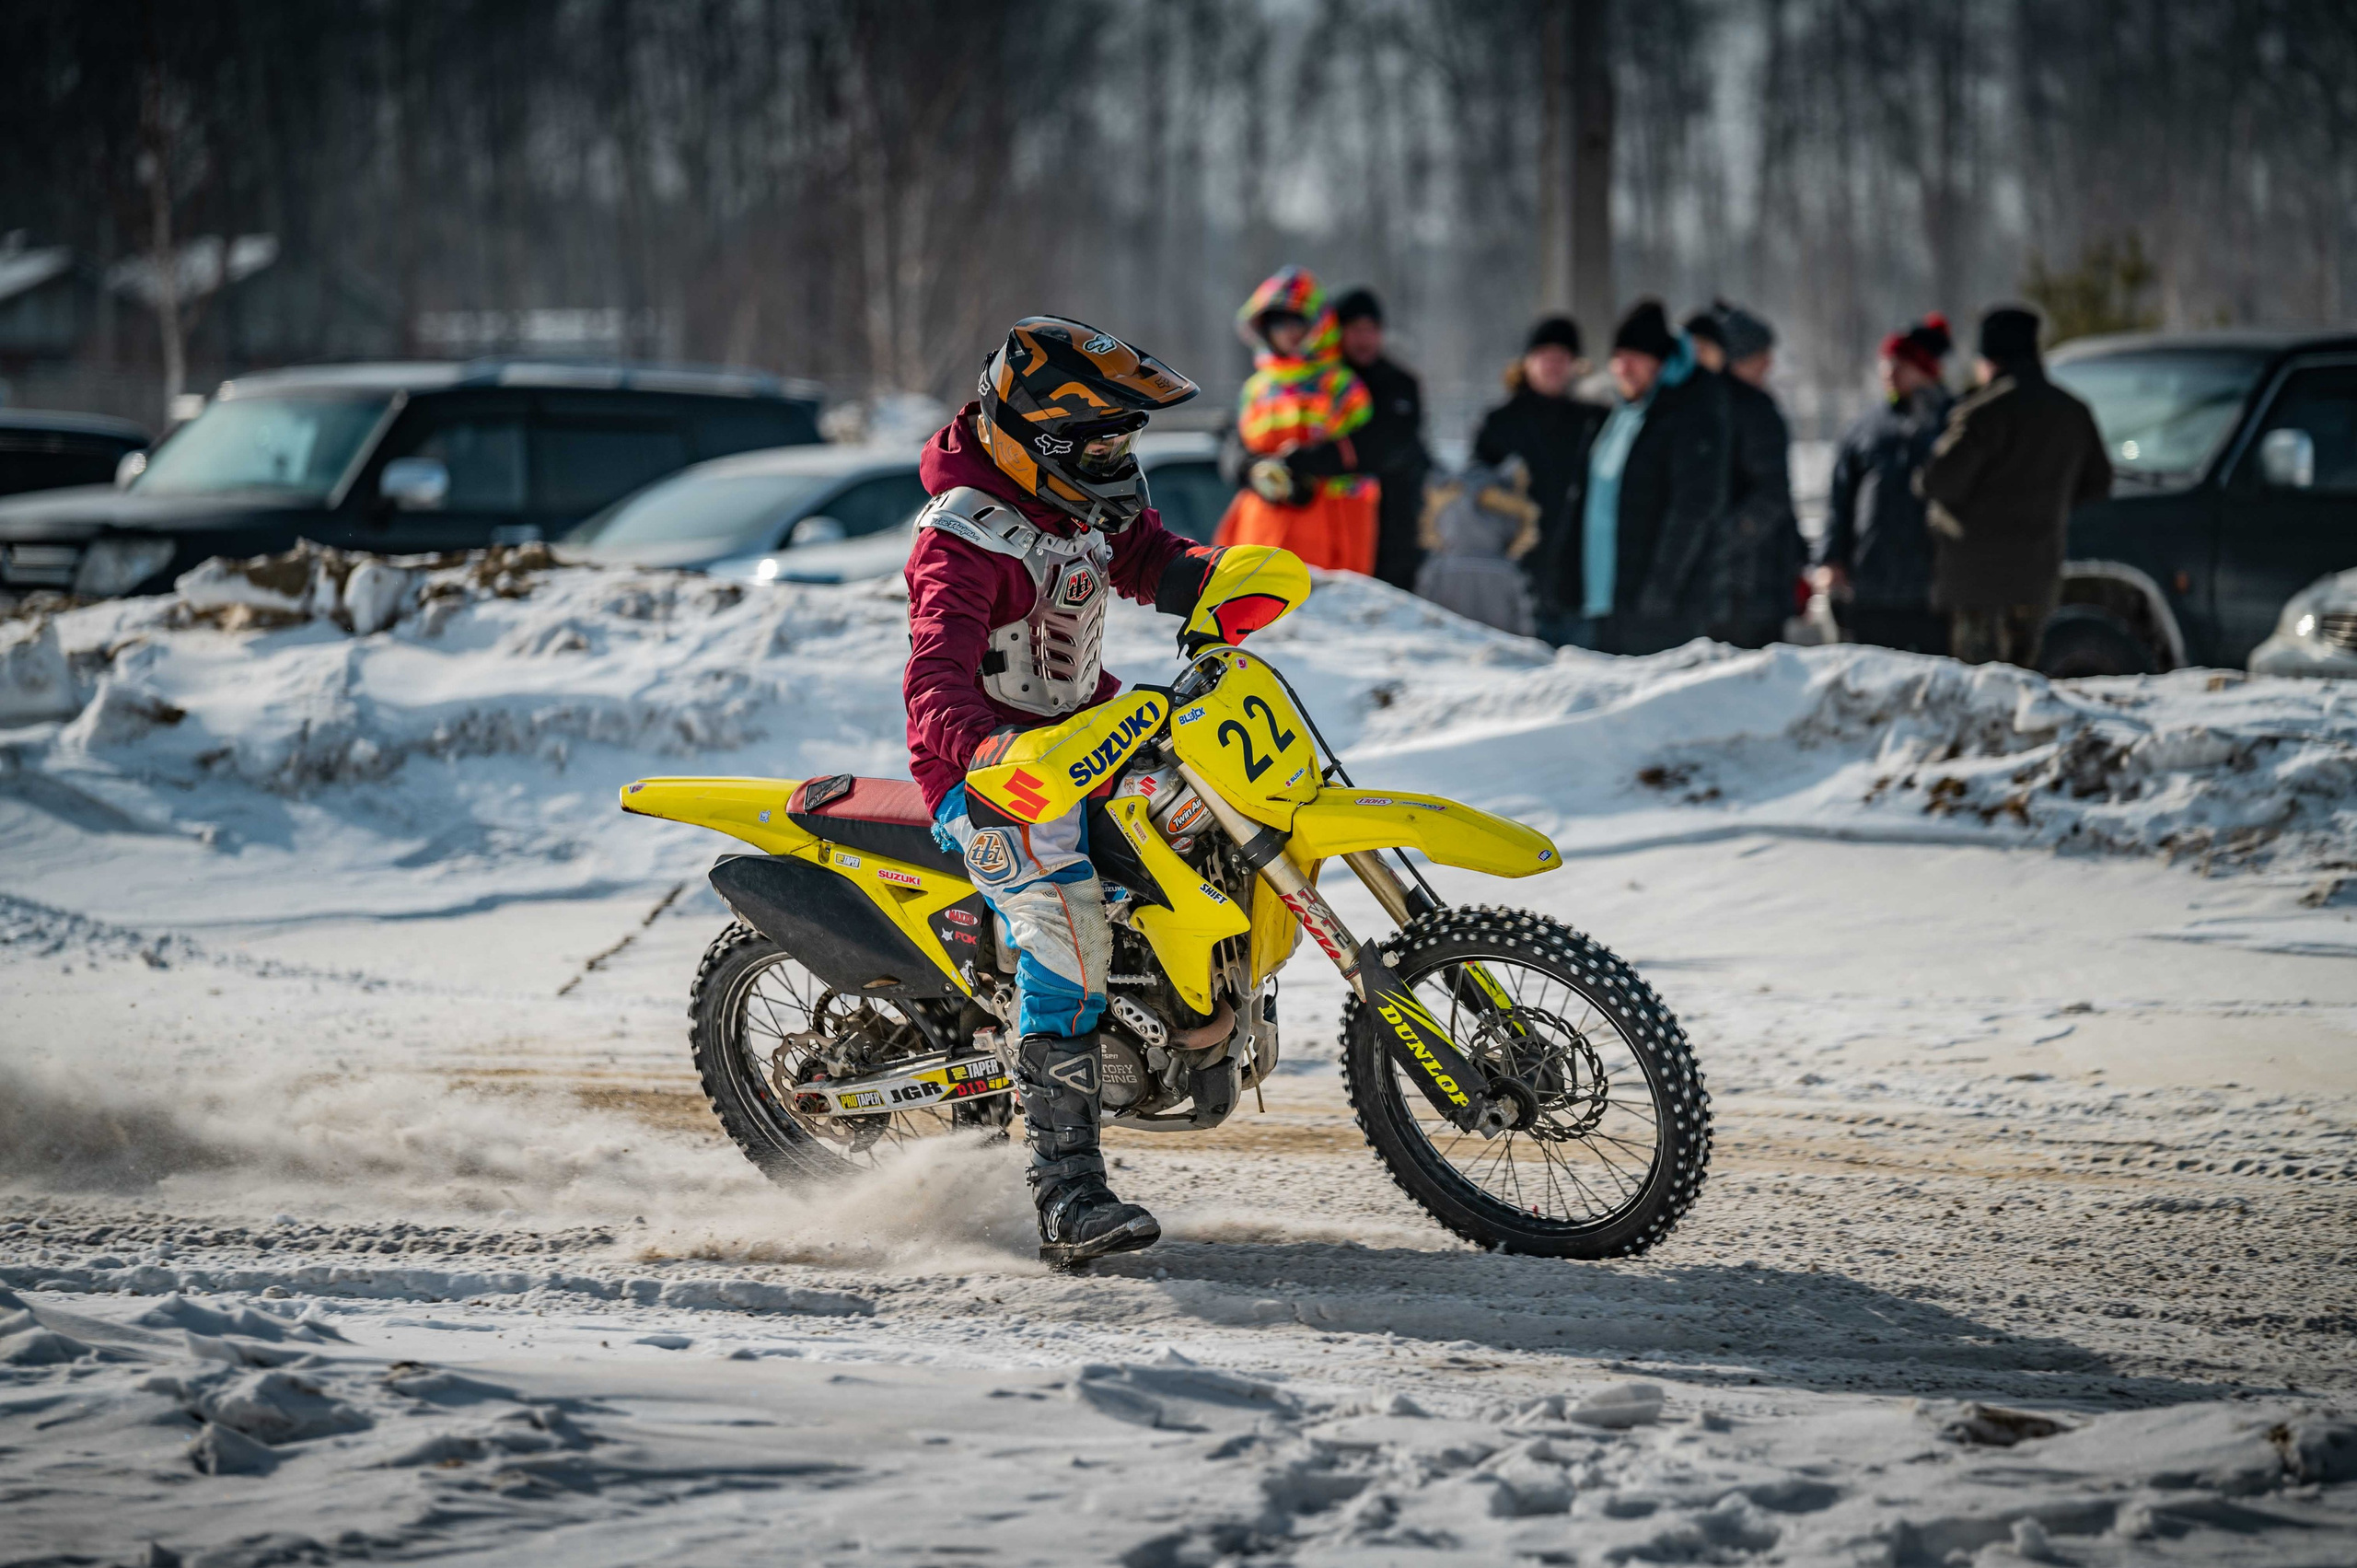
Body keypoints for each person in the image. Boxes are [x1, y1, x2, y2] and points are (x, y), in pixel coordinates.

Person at [905, 316, 1271, 1267]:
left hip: (1087, 734)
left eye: (1124, 439)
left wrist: (1216, 580)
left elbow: (1142, 555)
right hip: (989, 774)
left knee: (1207, 820)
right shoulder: (958, 540)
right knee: (1068, 921)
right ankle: (1067, 1194)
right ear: (1040, 441)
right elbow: (932, 684)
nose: (1117, 457)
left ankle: (1179, 1014)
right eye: (1101, 440)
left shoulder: (1072, 500)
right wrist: (986, 751)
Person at [1916, 306, 2111, 668]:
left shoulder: (1983, 413)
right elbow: (2098, 483)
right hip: (2038, 569)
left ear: (1990, 358)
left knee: (1978, 685)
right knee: (2024, 682)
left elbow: (1938, 481)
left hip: (1976, 579)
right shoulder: (2073, 411)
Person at [1577, 299, 1729, 652]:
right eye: (1618, 358)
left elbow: (1694, 508)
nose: (1623, 368)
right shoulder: (1623, 411)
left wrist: (1660, 592)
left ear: (1660, 363)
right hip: (1608, 596)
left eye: (1636, 358)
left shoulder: (1692, 410)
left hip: (1660, 605)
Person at [1212, 267, 1378, 573]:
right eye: (1278, 322)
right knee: (1254, 610)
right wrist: (1255, 470)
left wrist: (1310, 464)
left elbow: (1369, 450)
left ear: (1318, 324)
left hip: (1330, 524)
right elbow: (1236, 444)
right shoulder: (1257, 388)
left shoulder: (1340, 384)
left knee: (1323, 612)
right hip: (1262, 524)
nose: (1288, 331)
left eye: (1297, 320)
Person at [1818, 315, 1956, 654]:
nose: (1889, 374)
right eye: (1886, 365)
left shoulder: (1955, 420)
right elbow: (1840, 499)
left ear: (1925, 368)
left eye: (1900, 365)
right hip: (1871, 584)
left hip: (1934, 587)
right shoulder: (1866, 427)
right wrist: (1832, 558)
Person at [1473, 315, 1607, 643]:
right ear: (1526, 363)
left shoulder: (1596, 421)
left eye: (1562, 358)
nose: (1553, 366)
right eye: (1544, 356)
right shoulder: (1500, 422)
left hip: (1579, 580)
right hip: (1513, 576)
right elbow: (1476, 495)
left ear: (1577, 365)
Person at [1706, 301, 1804, 647]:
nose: (1769, 363)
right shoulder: (1742, 407)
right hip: (1746, 583)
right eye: (1760, 354)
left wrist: (1720, 543)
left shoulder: (1745, 407)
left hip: (1752, 579)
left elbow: (1773, 494)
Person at [1331, 287, 1432, 592]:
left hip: (1395, 532)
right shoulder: (1319, 382)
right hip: (1335, 529)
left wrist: (1316, 458)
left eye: (1371, 329)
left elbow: (1391, 448)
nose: (1364, 339)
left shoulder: (1401, 384)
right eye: (1355, 329)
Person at [1414, 454, 1542, 636]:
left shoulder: (1438, 569)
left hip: (1446, 657)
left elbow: (1421, 618)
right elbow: (1524, 627)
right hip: (1499, 658)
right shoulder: (1508, 572)